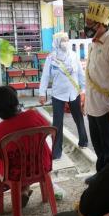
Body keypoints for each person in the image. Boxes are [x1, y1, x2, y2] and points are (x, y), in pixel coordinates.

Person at [0, 86, 53, 207]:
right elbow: (49, 130)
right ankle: (24, 190)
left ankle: (12, 189)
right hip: (42, 165)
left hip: (14, 173)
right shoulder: (34, 116)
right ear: (16, 101)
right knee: (26, 156)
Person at [83, 1, 109, 183]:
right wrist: (85, 100)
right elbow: (92, 75)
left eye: (90, 23)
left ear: (101, 24)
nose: (87, 26)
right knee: (99, 145)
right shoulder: (93, 44)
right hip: (93, 105)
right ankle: (101, 176)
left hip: (107, 106)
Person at [39, 32, 88, 160]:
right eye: (63, 40)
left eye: (67, 40)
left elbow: (81, 74)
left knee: (78, 118)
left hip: (74, 93)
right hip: (58, 94)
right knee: (57, 123)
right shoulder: (51, 58)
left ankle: (83, 141)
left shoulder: (73, 55)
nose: (65, 42)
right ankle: (56, 152)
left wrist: (83, 90)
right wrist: (42, 93)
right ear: (56, 42)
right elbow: (45, 76)